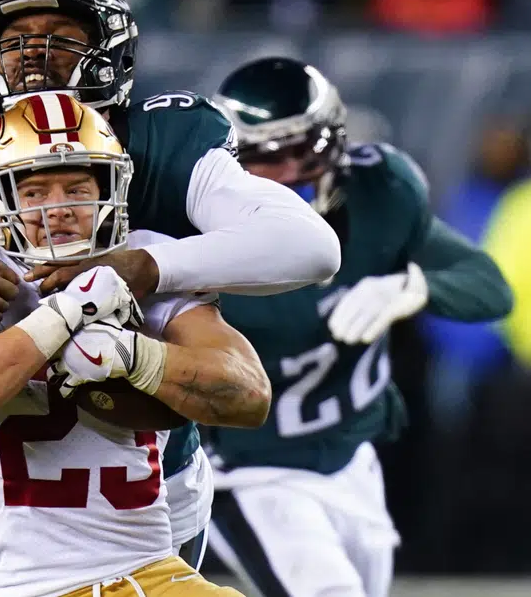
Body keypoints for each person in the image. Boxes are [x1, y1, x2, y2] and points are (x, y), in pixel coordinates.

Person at [0, 0, 340, 568]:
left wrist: (145, 270)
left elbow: (311, 248)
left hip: (157, 483)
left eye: (59, 38)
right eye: (13, 41)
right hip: (28, 507)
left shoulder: (165, 148)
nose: (32, 55)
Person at [0, 95, 266, 597]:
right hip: (36, 585)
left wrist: (137, 357)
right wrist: (66, 317)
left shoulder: (143, 260)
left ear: (112, 188)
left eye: (77, 188)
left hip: (149, 569)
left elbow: (248, 393)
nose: (58, 210)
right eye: (35, 191)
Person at [201, 57, 513, 597]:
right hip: (247, 470)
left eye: (300, 150)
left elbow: (489, 288)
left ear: (335, 143)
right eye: (259, 157)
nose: (284, 173)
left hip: (351, 458)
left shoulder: (379, 193)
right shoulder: (198, 240)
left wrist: (414, 287)